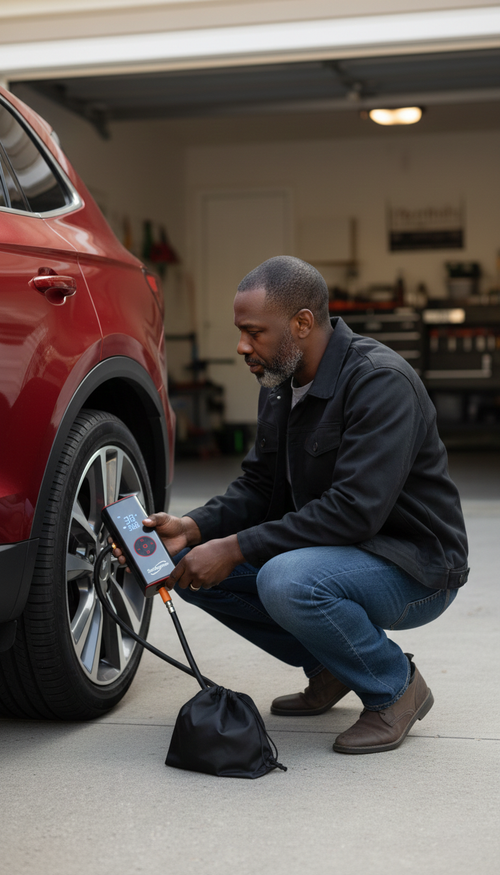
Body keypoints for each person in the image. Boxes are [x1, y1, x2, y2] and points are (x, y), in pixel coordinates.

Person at [115, 255, 469, 754]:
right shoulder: (280, 385)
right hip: (341, 553)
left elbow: (354, 511)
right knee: (181, 563)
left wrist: (234, 548)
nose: (241, 346)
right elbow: (259, 486)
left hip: (414, 567)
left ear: (302, 323)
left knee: (287, 581)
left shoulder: (380, 381)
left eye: (254, 332)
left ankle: (395, 687)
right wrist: (192, 529)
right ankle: (333, 666)